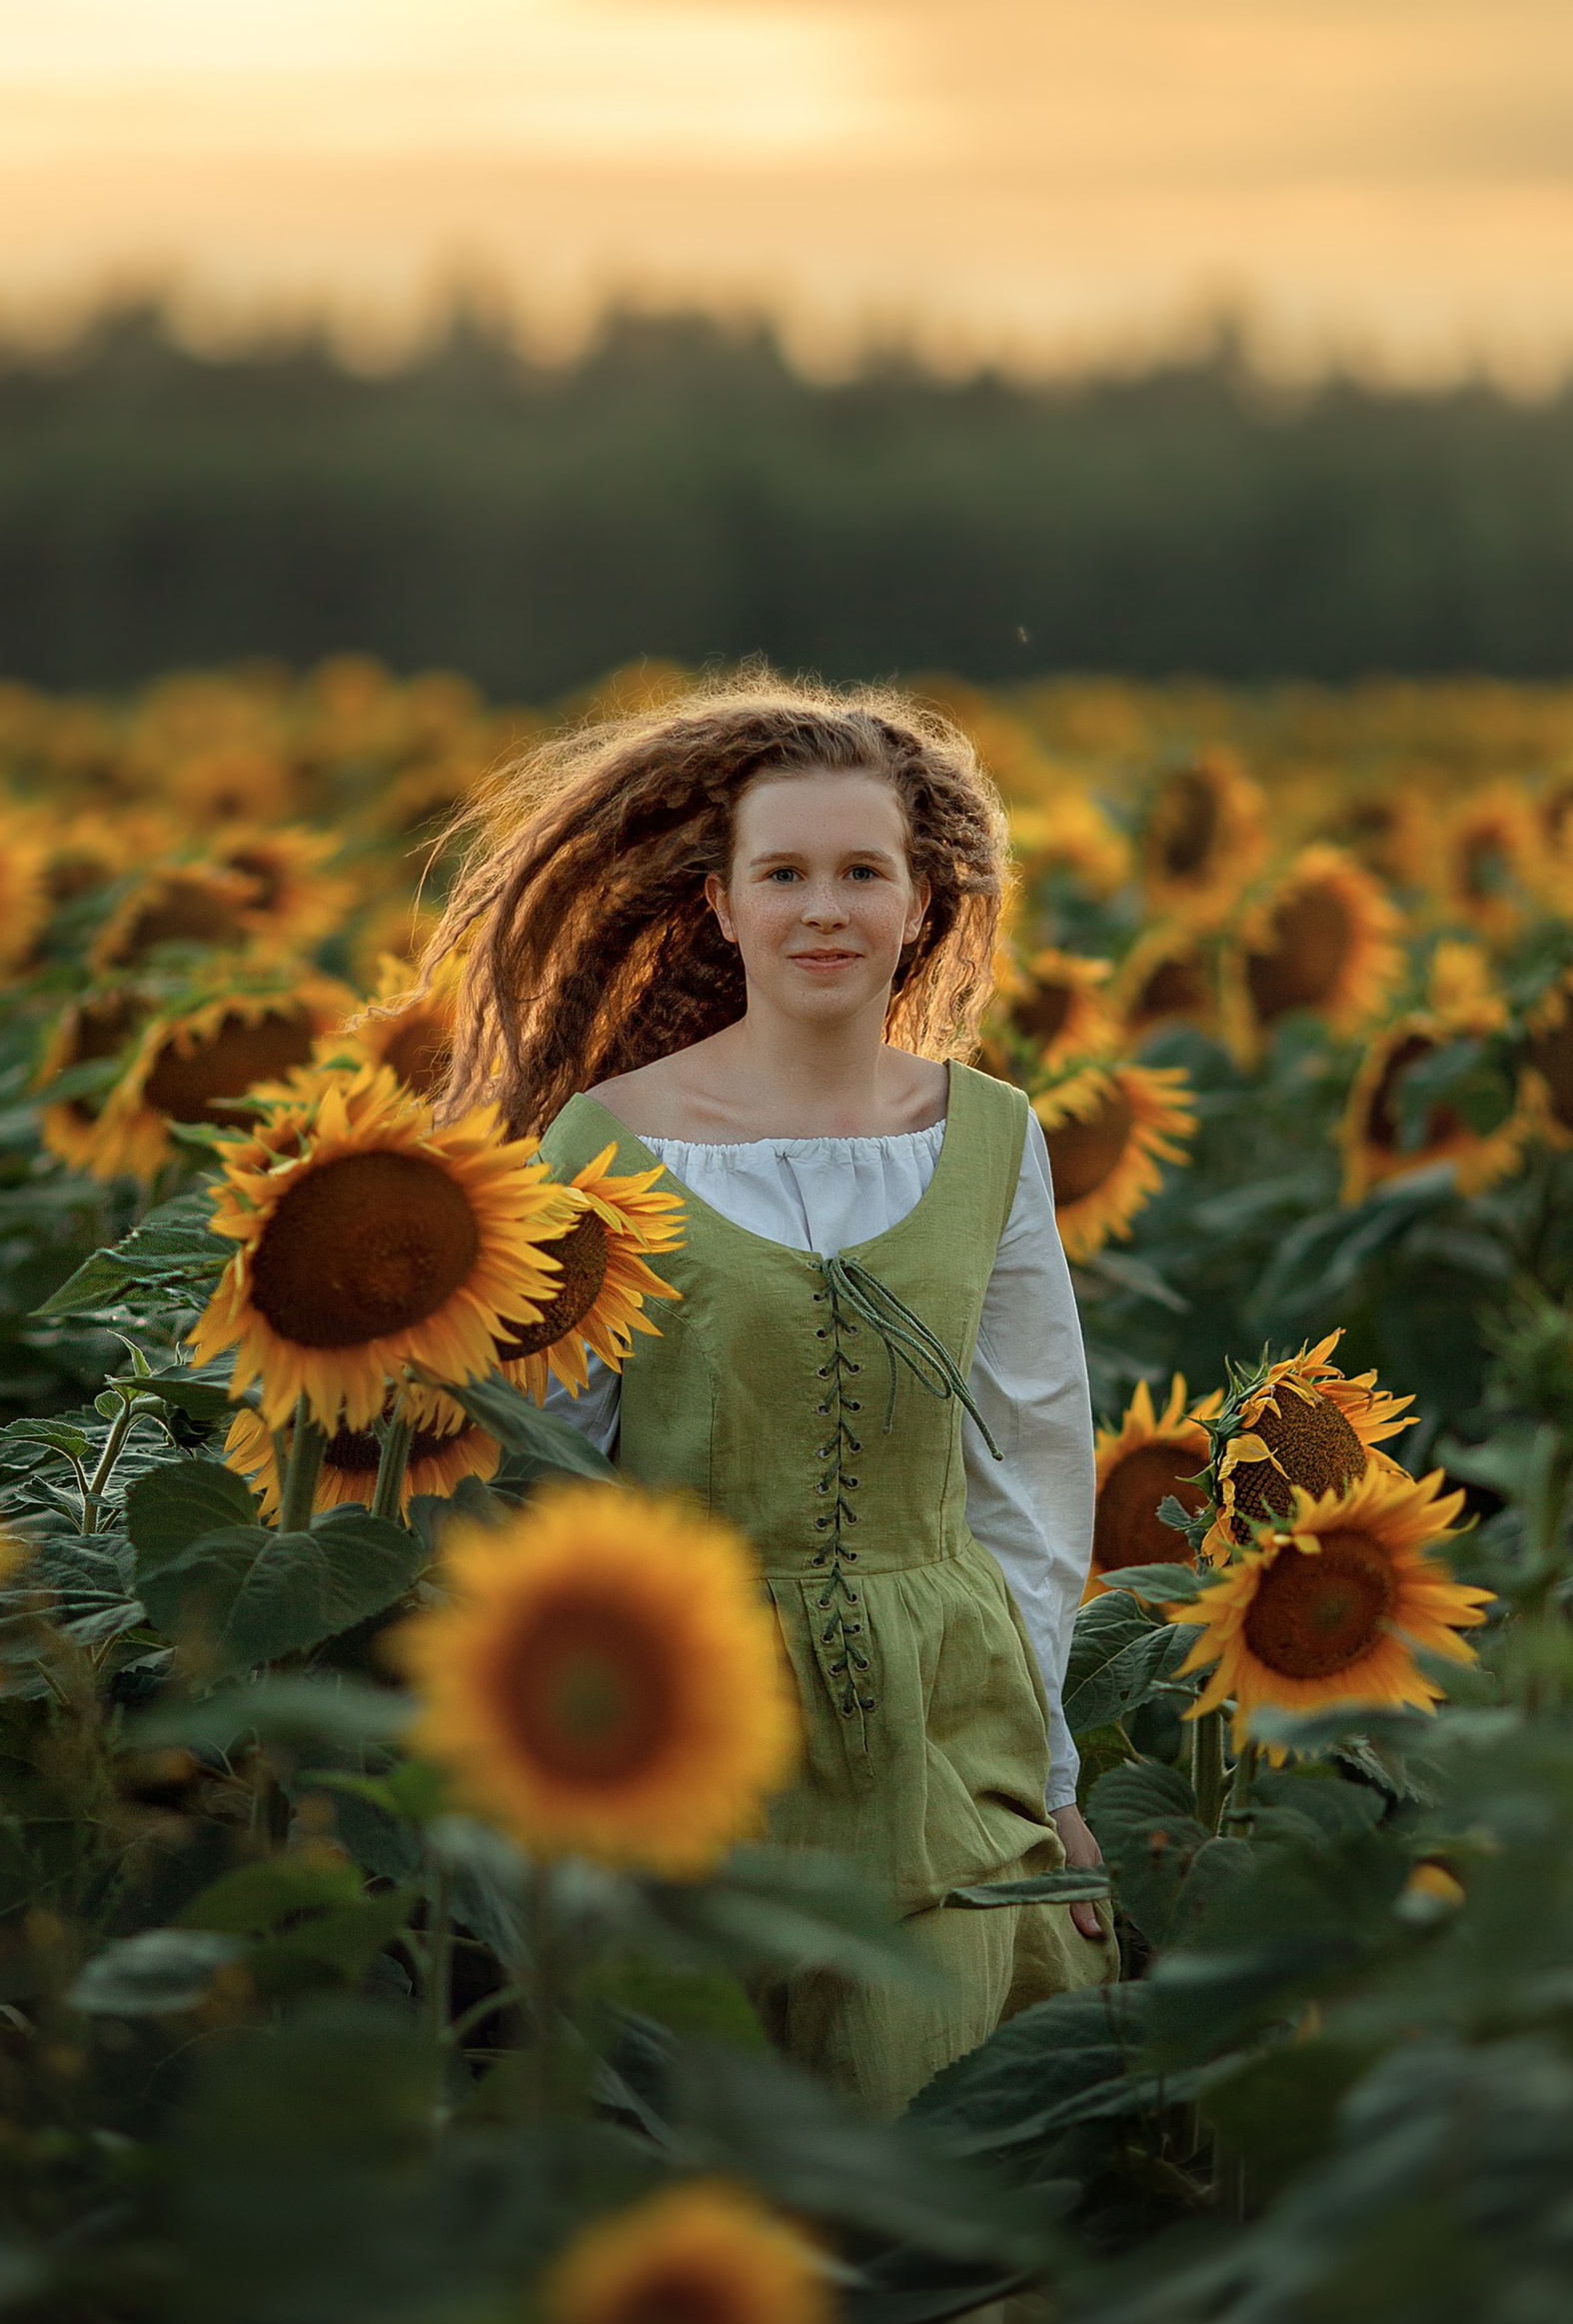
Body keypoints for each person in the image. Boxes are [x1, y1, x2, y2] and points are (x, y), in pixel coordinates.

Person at [425, 675, 1111, 2114]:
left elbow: (1035, 1475)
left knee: (947, 2147)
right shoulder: (609, 1139)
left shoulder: (992, 1137)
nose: (824, 909)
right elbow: (555, 1468)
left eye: (863, 872)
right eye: (783, 872)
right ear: (722, 905)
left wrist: (1052, 1770)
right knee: (718, 2148)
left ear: (922, 902)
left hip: (946, 1727)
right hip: (691, 1713)